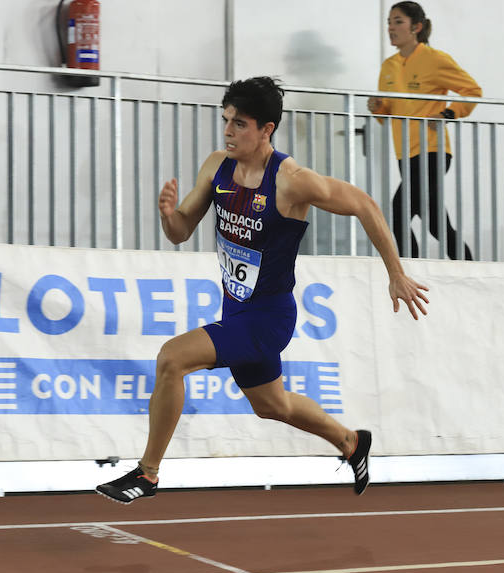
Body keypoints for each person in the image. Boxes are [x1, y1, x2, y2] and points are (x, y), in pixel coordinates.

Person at [97, 76, 430, 504]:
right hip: (236, 311)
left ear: (267, 129)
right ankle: (351, 441)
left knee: (171, 359)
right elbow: (181, 231)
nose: (228, 131)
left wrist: (396, 274)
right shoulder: (218, 166)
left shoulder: (292, 180)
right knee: (274, 406)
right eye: (226, 121)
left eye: (240, 124)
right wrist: (167, 215)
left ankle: (148, 474)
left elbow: (364, 204)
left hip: (269, 319)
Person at [367, 1, 481, 260]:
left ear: (416, 27)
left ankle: (410, 270)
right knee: (435, 222)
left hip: (432, 151)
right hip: (404, 154)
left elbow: (473, 91)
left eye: (398, 22)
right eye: (389, 22)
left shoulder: (435, 59)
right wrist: (377, 108)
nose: (391, 28)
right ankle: (468, 266)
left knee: (398, 213)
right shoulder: (388, 66)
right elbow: (388, 117)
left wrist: (449, 113)